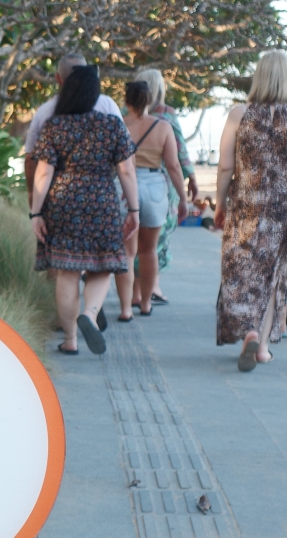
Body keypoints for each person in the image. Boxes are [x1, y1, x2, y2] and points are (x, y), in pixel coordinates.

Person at [214, 49, 287, 371]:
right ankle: (261, 349)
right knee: (274, 276)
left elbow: (225, 166)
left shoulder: (238, 114)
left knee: (242, 272)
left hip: (245, 206)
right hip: (283, 210)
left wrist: (219, 203)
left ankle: (249, 331)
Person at [30, 62, 139, 356]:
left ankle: (70, 340)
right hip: (102, 202)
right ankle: (90, 314)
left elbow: (43, 173)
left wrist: (36, 213)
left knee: (67, 272)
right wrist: (134, 210)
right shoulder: (112, 125)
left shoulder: (54, 126)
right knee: (102, 266)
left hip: (63, 203)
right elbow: (127, 171)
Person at [122, 79, 189, 316]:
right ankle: (146, 304)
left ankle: (126, 308)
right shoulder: (163, 127)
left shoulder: (119, 125)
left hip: (125, 186)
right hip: (154, 187)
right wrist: (183, 198)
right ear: (150, 100)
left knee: (128, 253)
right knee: (148, 251)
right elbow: (173, 166)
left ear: (126, 101)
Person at [23, 50, 122, 206]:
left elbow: (30, 159)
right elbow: (124, 154)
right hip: (101, 197)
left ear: (58, 78)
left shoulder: (45, 112)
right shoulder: (107, 105)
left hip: (57, 199)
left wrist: (32, 193)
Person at [133, 67, 200, 295]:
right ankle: (152, 289)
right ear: (160, 90)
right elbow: (180, 153)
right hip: (162, 185)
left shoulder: (126, 115)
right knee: (157, 239)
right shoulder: (167, 115)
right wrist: (191, 179)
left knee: (133, 239)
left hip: (129, 182)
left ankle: (136, 291)